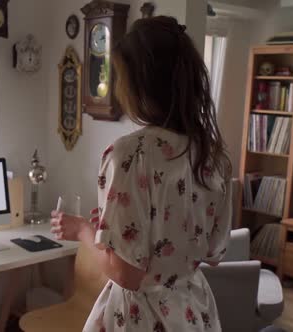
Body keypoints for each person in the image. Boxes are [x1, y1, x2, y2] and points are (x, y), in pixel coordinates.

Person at [50, 16, 232, 332]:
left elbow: (126, 275)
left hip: (142, 319)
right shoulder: (213, 156)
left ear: (140, 84)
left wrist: (83, 231)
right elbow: (210, 252)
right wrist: (120, 234)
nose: (119, 87)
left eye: (120, 76)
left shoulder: (130, 155)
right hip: (193, 311)